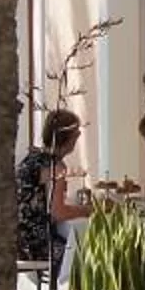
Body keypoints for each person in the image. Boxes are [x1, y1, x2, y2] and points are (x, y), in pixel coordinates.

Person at [16, 110, 92, 265]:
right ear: (69, 138)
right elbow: (58, 212)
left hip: (18, 238)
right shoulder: (53, 166)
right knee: (90, 257)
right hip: (37, 245)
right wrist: (89, 210)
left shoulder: (33, 157)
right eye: (76, 134)